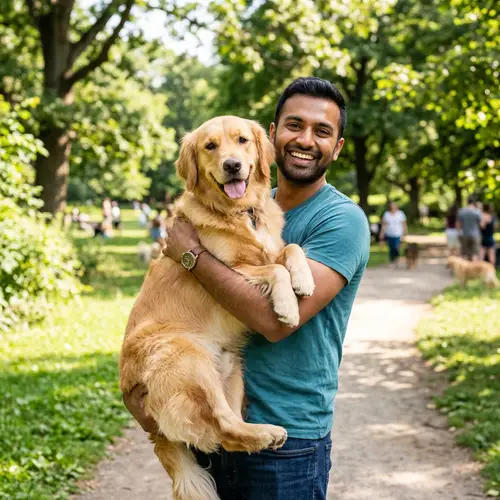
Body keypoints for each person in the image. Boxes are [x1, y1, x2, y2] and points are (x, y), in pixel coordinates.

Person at [123, 77, 370, 499]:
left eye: (322, 131)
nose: (305, 139)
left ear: (338, 146)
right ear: (272, 139)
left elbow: (272, 322)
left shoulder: (343, 221)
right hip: (213, 418)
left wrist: (191, 255)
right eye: (294, 125)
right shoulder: (253, 205)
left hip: (287, 443)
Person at [380, 201, 407, 267]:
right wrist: (382, 233)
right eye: (392, 206)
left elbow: (404, 224)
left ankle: (396, 260)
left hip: (398, 233)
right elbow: (384, 224)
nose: (393, 207)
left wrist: (405, 232)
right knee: (391, 248)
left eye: (394, 206)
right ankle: (392, 261)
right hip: (389, 233)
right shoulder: (387, 214)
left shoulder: (400, 214)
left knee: (396, 247)